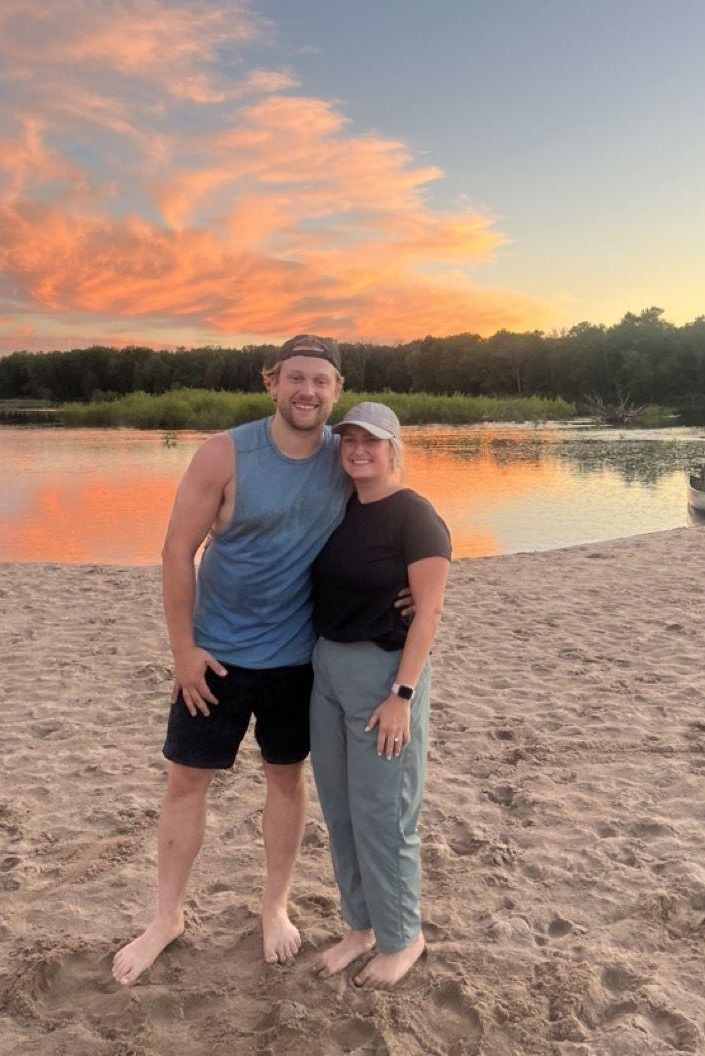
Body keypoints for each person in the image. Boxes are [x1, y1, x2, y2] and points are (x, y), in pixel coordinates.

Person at [113, 335, 410, 986]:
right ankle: (167, 916)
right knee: (187, 781)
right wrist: (184, 650)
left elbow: (393, 512)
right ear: (272, 382)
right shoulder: (225, 454)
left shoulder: (346, 456)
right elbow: (175, 551)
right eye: (296, 378)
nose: (308, 391)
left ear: (336, 391)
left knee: (285, 778)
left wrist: (410, 581)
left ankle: (273, 906)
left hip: (297, 658)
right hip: (214, 656)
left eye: (322, 381)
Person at [307, 402, 451, 988]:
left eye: (371, 441)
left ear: (394, 447)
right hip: (327, 671)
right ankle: (361, 927)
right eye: (349, 441)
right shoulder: (337, 510)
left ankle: (402, 936)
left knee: (385, 814)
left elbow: (430, 610)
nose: (358, 450)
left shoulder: (414, 515)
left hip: (384, 674)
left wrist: (403, 695)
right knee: (340, 810)